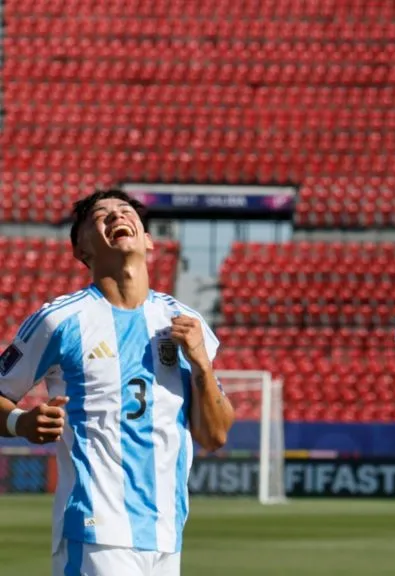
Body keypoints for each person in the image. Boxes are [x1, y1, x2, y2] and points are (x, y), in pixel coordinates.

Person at [0, 189, 235, 576]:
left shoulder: (184, 321)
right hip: (95, 526)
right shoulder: (60, 320)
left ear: (147, 240)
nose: (115, 217)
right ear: (82, 250)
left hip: (166, 533)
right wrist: (19, 422)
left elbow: (215, 436)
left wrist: (203, 368)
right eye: (100, 217)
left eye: (125, 212)